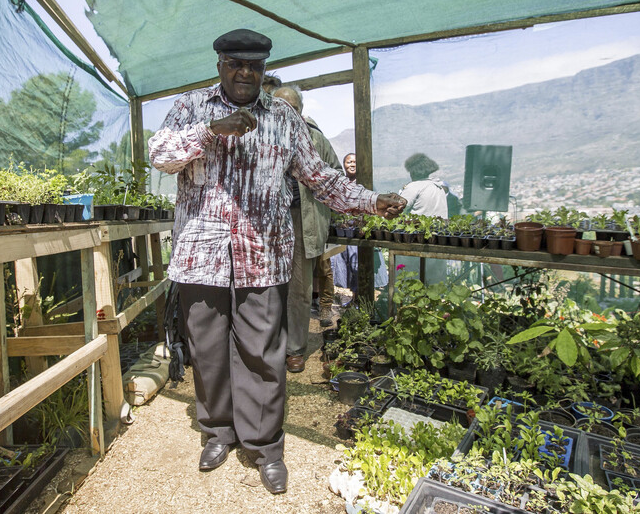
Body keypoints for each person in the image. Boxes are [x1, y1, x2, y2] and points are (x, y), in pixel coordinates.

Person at [148, 28, 406, 495]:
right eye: (236, 64)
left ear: (264, 70)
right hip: (201, 256)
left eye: (255, 66)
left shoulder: (283, 118)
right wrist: (209, 132)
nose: (245, 72)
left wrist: (370, 201)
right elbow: (160, 155)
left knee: (262, 354)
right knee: (207, 352)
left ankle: (265, 445)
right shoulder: (190, 108)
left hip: (261, 256)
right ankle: (217, 432)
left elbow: (322, 178)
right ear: (220, 64)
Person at [271, 85, 342, 373]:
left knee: (299, 288)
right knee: (267, 286)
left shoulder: (316, 139)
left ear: (300, 110)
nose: (286, 113)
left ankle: (294, 349)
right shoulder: (260, 137)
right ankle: (268, 344)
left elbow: (335, 176)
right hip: (268, 222)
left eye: (292, 108)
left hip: (303, 219)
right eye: (279, 108)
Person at [331, 153, 389, 302]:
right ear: (344, 165)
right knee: (348, 267)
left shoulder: (366, 183)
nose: (352, 164)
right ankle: (355, 299)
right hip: (345, 232)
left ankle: (363, 300)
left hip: (362, 231)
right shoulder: (341, 184)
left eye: (355, 162)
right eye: (349, 162)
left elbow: (375, 204)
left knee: (361, 266)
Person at [397, 153, 448, 284]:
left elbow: (398, 208)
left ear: (412, 171)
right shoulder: (438, 187)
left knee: (410, 280)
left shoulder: (414, 186)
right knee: (434, 282)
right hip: (438, 238)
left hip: (416, 240)